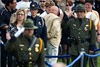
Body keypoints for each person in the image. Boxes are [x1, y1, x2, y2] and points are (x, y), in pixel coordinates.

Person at [0, 0, 17, 67]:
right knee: (4, 55)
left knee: (12, 56)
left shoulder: (15, 11)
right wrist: (14, 29)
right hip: (4, 36)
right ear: (10, 4)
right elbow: (3, 26)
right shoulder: (2, 11)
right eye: (15, 3)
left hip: (14, 37)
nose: (16, 4)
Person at [61, 0, 77, 65]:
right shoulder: (63, 13)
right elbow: (61, 23)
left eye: (69, 5)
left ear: (72, 6)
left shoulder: (74, 13)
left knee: (69, 50)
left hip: (71, 33)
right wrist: (67, 17)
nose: (68, 7)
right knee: (64, 49)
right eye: (67, 5)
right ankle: (63, 64)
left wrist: (75, 17)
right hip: (64, 32)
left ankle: (68, 64)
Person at [85, 0, 100, 67]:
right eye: (86, 5)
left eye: (88, 5)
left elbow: (98, 25)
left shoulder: (95, 13)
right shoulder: (82, 12)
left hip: (94, 33)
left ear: (92, 5)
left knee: (94, 51)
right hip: (85, 33)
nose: (87, 6)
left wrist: (99, 35)